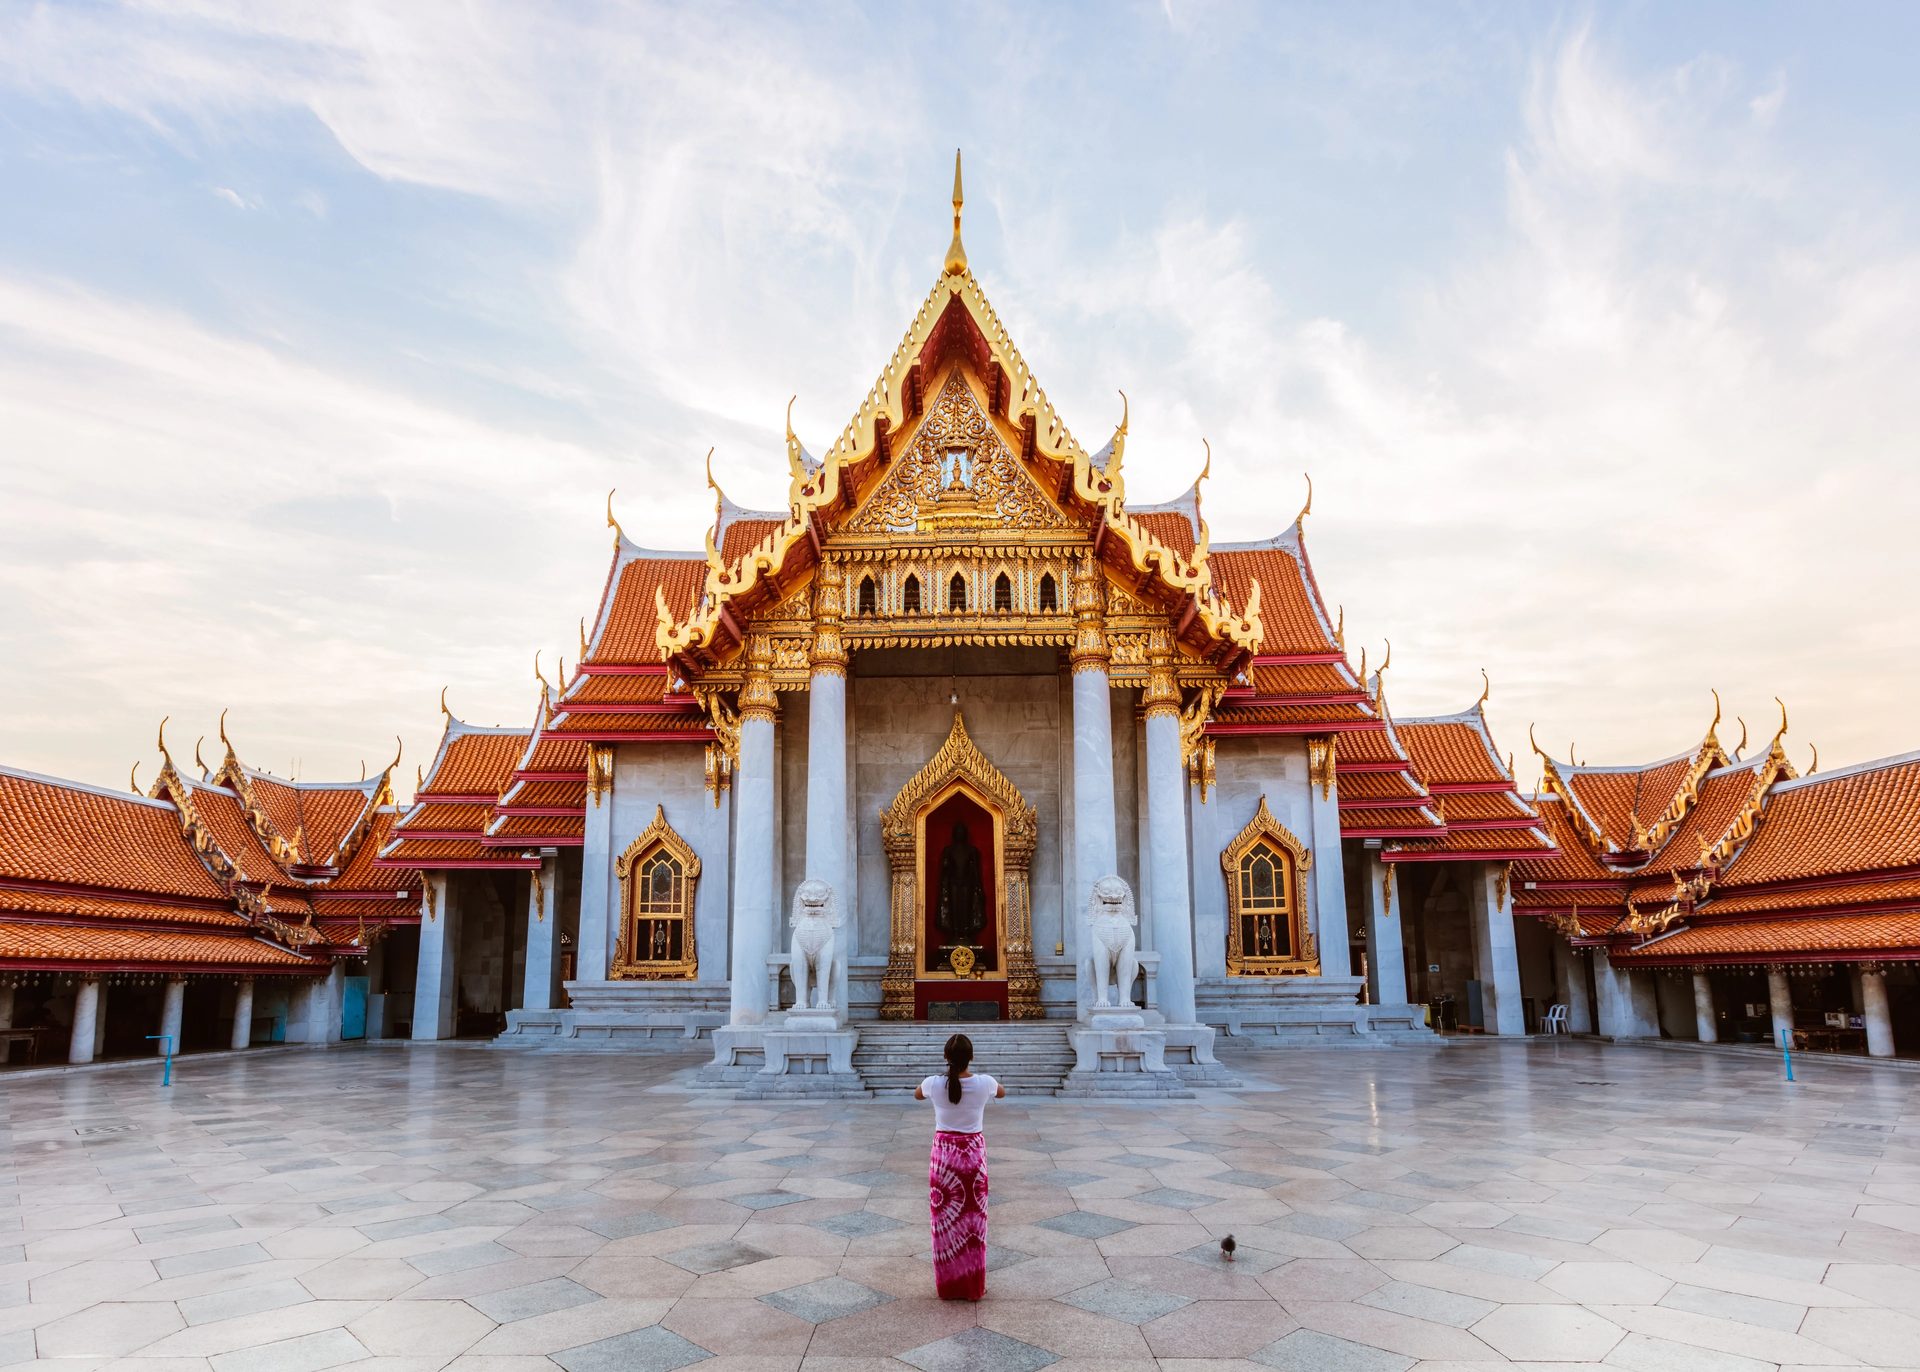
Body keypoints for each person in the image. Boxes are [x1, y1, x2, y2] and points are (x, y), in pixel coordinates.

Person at [915, 1032, 1003, 1300]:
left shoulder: (933, 1083)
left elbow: (917, 1095)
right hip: (973, 1155)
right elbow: (1001, 1092)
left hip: (944, 1157)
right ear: (971, 1057)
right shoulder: (985, 1083)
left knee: (944, 1222)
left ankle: (948, 1285)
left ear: (946, 1057)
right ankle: (972, 1285)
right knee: (974, 1223)